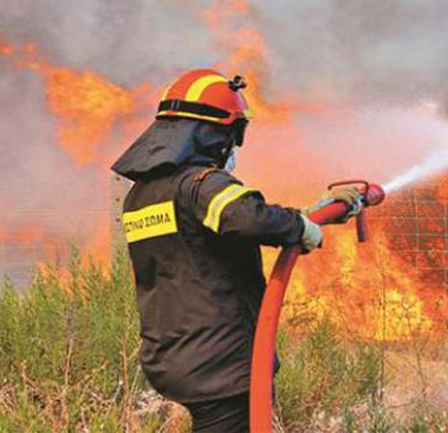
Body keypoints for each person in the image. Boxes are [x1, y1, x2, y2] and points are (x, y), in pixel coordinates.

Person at [111, 69, 359, 432]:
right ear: (214, 134)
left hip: (176, 355)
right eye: (233, 134)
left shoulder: (143, 195)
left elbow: (210, 234)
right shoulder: (201, 184)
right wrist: (299, 227)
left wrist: (306, 217)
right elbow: (249, 219)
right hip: (221, 363)